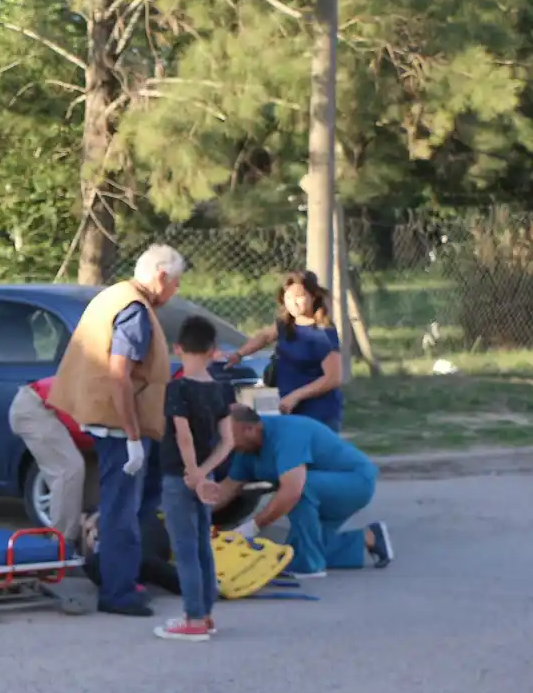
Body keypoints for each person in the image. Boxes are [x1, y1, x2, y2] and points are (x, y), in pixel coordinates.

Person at [48, 244, 185, 617]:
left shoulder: (114, 296)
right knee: (121, 510)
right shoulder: (134, 311)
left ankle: (124, 577)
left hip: (111, 420)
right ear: (161, 276)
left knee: (129, 505)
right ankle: (118, 591)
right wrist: (134, 436)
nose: (176, 291)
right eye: (175, 283)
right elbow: (119, 374)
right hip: (120, 426)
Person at [213, 406, 392, 578]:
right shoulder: (246, 450)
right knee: (292, 551)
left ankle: (310, 567)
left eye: (229, 436)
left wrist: (253, 527)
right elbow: (228, 488)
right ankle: (370, 538)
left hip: (354, 482)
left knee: (301, 489)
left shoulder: (288, 434)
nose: (226, 443)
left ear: (249, 429)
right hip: (321, 489)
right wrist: (200, 515)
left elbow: (292, 491)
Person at [153, 316, 236, 642]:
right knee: (203, 546)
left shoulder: (178, 389)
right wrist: (205, 472)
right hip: (206, 476)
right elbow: (228, 440)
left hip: (180, 478)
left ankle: (194, 618)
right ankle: (206, 612)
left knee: (184, 549)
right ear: (214, 350)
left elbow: (182, 435)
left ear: (178, 348)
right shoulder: (221, 389)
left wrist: (193, 474)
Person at [228, 270, 343, 431]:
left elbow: (333, 378)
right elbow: (265, 337)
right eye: (288, 298)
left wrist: (296, 396)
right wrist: (239, 354)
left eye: (299, 297)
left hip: (319, 414)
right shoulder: (285, 325)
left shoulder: (323, 333)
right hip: (289, 410)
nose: (293, 303)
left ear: (313, 296)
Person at [8, 377, 90, 545]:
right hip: (36, 406)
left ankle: (82, 540)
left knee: (87, 472)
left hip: (55, 411)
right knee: (68, 469)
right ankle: (62, 543)